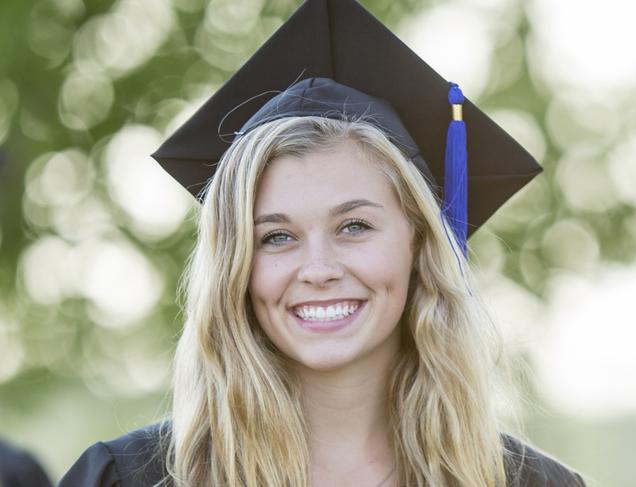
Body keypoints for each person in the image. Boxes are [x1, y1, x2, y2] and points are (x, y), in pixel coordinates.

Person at [60, 0, 587, 486]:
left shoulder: (524, 482)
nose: (318, 268)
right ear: (235, 266)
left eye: (354, 226)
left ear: (420, 243)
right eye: (277, 236)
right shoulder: (130, 479)